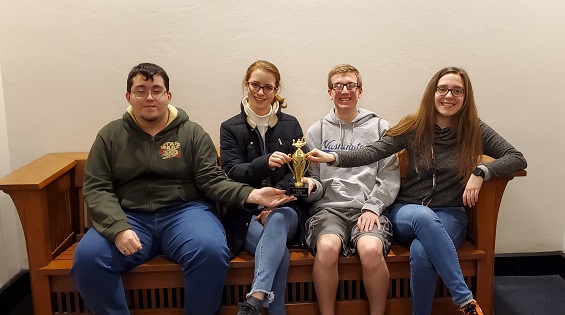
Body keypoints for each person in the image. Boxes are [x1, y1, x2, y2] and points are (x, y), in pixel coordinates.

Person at [70, 63, 295, 315]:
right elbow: (97, 188)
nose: (150, 97)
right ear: (128, 97)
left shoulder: (192, 133)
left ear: (168, 95)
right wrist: (117, 228)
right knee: (89, 259)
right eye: (141, 91)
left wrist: (251, 194)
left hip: (186, 214)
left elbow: (212, 180)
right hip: (129, 217)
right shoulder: (110, 136)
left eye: (157, 90)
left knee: (210, 251)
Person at [308, 66, 527, 315]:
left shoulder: (473, 128)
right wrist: (332, 157)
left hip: (450, 213)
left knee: (422, 252)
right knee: (423, 216)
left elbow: (516, 157)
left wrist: (481, 172)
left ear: (465, 97)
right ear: (432, 93)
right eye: (442, 89)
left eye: (457, 91)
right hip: (408, 211)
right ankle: (464, 299)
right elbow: (374, 151)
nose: (448, 96)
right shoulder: (414, 125)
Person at [220, 60, 319, 315]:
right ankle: (264, 303)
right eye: (255, 85)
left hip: (286, 207)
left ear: (276, 90)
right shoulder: (230, 127)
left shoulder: (290, 124)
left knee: (275, 222)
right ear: (246, 85)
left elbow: (301, 170)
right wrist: (264, 163)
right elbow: (232, 172)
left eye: (268, 87)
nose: (261, 92)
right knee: (279, 256)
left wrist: (277, 199)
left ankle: (255, 298)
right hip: (246, 212)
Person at [304, 64, 400, 315]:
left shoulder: (380, 128)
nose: (344, 90)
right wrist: (310, 187)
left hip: (367, 209)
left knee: (370, 250)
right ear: (329, 92)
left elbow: (389, 177)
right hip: (329, 211)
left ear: (360, 90)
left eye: (350, 85)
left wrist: (373, 207)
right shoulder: (316, 131)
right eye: (338, 85)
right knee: (327, 248)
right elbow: (313, 179)